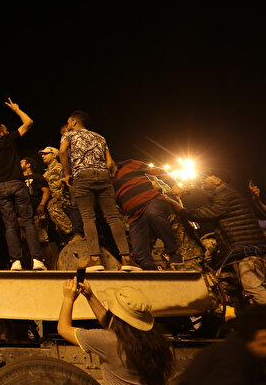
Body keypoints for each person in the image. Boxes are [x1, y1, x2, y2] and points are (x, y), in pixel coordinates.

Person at [171, 169, 266, 306]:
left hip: (246, 251)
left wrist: (177, 207)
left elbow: (203, 213)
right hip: (245, 250)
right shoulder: (226, 194)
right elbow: (204, 200)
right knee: (237, 289)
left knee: (253, 288)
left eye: (206, 177)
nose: (202, 180)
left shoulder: (225, 196)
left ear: (217, 180)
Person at [59, 110, 134, 271]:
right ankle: (127, 259)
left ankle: (95, 259)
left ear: (73, 122)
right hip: (103, 176)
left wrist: (67, 174)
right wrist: (104, 174)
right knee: (113, 217)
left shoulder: (69, 135)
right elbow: (110, 163)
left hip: (82, 176)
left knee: (88, 218)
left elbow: (63, 152)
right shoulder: (100, 137)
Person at [0, 99, 46, 271]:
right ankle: (37, 260)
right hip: (17, 184)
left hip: (0, 188)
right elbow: (29, 122)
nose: (7, 130)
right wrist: (17, 109)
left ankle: (15, 261)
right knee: (28, 221)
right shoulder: (9, 139)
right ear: (1, 133)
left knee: (10, 225)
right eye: (5, 128)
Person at [111, 159, 183, 271]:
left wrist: (174, 185)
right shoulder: (106, 180)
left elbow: (157, 171)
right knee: (138, 249)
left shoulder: (130, 164)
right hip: (134, 214)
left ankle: (173, 252)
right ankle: (149, 269)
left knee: (152, 213)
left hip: (152, 202)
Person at [39, 145, 85, 243]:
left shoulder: (61, 168)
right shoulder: (45, 173)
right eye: (42, 154)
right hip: (54, 200)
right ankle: (65, 237)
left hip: (65, 199)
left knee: (53, 208)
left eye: (45, 154)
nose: (43, 156)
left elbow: (66, 186)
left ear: (54, 155)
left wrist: (57, 197)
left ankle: (73, 233)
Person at [21, 156, 51, 253]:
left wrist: (42, 205)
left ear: (28, 165)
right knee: (24, 241)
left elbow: (46, 191)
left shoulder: (37, 177)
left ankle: (46, 264)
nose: (19, 164)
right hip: (21, 214)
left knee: (41, 240)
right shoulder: (18, 179)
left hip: (36, 213)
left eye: (21, 162)